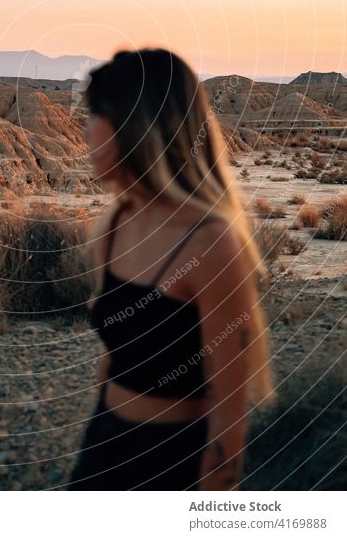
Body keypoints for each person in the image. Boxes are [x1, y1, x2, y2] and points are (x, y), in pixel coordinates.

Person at [66, 48, 275, 490]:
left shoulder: (211, 244)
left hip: (171, 460)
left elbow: (229, 413)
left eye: (93, 118)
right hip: (104, 443)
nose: (84, 134)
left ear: (133, 128)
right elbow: (115, 355)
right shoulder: (117, 223)